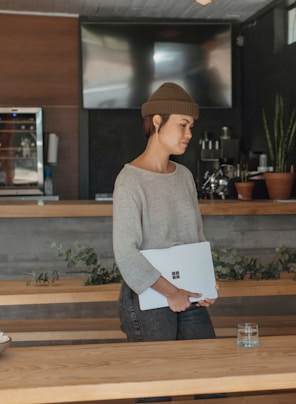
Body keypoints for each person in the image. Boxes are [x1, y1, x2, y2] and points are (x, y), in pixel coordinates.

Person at [112, 82, 216, 342]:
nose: (189, 133)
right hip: (148, 295)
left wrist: (207, 281)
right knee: (160, 376)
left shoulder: (184, 176)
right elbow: (126, 252)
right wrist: (171, 292)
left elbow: (196, 237)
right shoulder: (129, 180)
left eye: (191, 126)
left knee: (206, 368)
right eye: (182, 124)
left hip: (188, 292)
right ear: (157, 121)